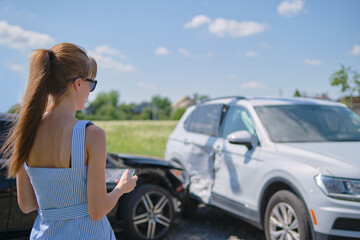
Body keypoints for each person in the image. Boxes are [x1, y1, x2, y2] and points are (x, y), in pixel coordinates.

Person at [1, 43, 138, 239]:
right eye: (91, 83)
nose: (90, 91)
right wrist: (121, 189)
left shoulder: (26, 131)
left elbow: (27, 204)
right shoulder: (92, 134)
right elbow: (97, 211)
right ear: (78, 83)